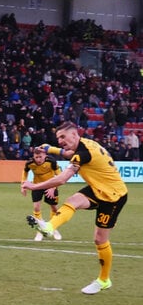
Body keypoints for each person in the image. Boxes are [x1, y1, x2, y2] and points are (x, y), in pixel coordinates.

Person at [22, 122, 128, 295]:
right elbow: (66, 152)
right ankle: (48, 227)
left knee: (100, 239)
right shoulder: (83, 144)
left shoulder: (84, 153)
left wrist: (34, 186)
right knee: (73, 200)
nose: (61, 141)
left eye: (63, 137)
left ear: (74, 134)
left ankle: (104, 280)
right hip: (97, 188)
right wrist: (49, 148)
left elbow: (62, 179)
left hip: (114, 196)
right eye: (58, 138)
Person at [22, 146, 62, 241]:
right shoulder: (30, 163)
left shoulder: (51, 161)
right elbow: (25, 171)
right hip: (37, 186)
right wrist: (23, 184)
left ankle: (53, 227)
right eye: (36, 157)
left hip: (51, 185)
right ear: (33, 156)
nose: (38, 159)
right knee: (36, 207)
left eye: (40, 157)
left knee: (54, 207)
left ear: (45, 155)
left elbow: (59, 175)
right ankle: (39, 231)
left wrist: (53, 187)